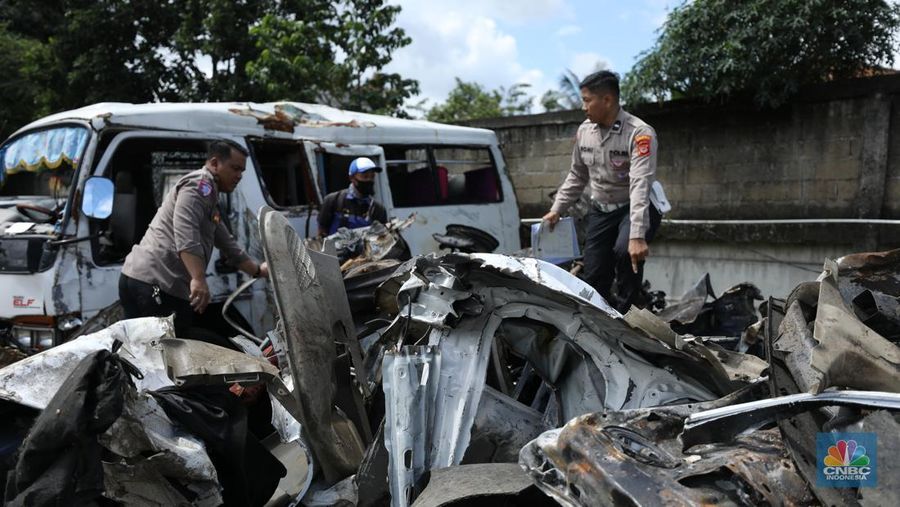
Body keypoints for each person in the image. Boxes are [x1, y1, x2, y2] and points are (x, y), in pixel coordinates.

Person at [119, 140, 268, 337]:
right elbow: (185, 230)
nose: (239, 176)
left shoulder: (209, 198)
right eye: (235, 168)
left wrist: (257, 270)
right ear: (215, 163)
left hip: (144, 280)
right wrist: (198, 278)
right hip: (155, 285)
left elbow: (225, 241)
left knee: (144, 354)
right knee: (170, 355)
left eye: (242, 171)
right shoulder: (200, 186)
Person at [542, 70, 663, 312]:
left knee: (624, 250)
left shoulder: (639, 133)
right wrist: (557, 209)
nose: (583, 106)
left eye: (587, 100)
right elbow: (577, 175)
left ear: (607, 100)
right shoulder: (585, 132)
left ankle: (630, 311)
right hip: (601, 209)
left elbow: (640, 183)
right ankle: (600, 317)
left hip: (633, 206)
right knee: (595, 272)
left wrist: (637, 235)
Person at [318, 157, 388, 237]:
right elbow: (321, 233)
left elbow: (383, 239)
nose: (369, 180)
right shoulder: (333, 200)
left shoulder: (378, 209)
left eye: (372, 177)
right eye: (365, 176)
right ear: (352, 178)